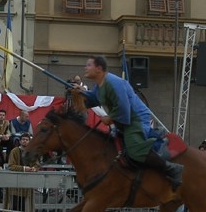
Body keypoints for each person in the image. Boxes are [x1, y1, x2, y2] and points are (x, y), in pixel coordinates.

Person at [75, 55, 183, 190]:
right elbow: (93, 99)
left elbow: (124, 108)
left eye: (89, 65)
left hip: (136, 119)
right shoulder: (99, 85)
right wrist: (80, 92)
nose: (85, 68)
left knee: (135, 150)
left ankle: (172, 169)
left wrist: (110, 118)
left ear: (99, 68)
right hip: (125, 120)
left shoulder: (114, 83)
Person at [5, 133, 40, 212]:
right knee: (15, 205)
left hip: (27, 183)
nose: (25, 141)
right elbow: (11, 166)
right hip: (15, 183)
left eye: (27, 140)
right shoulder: (14, 151)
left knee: (25, 206)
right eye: (23, 139)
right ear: (20, 141)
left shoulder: (31, 152)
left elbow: (37, 165)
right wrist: (24, 168)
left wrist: (34, 168)